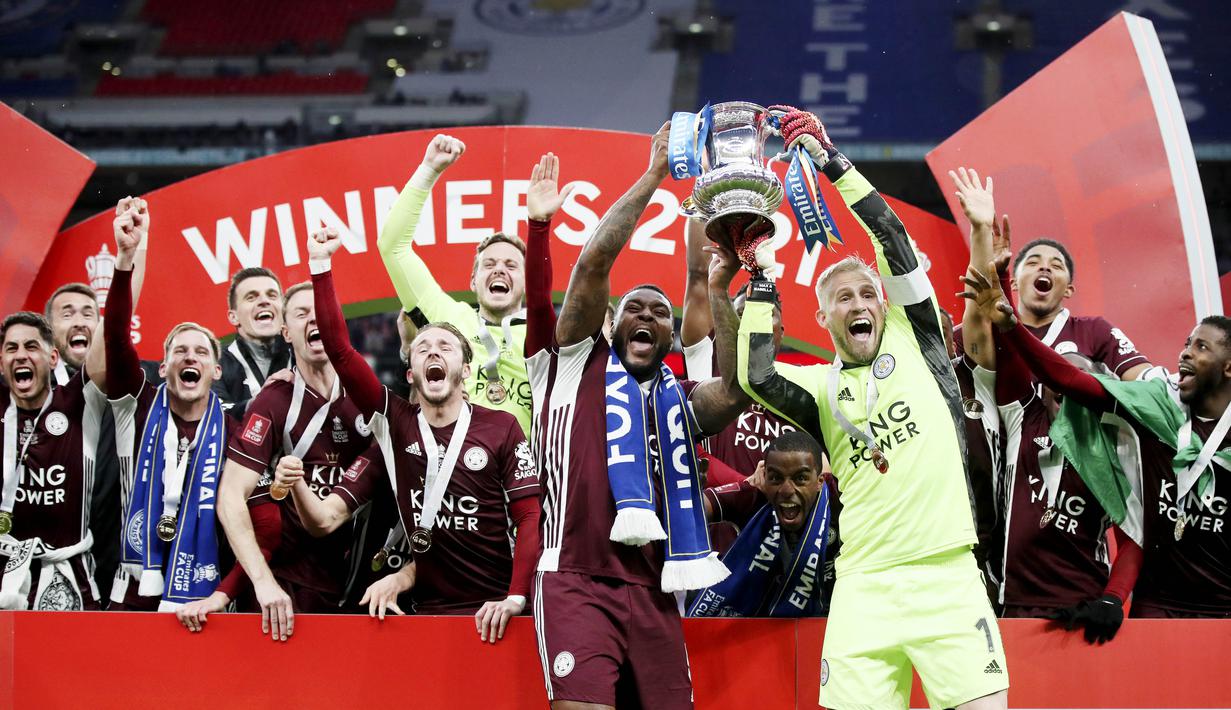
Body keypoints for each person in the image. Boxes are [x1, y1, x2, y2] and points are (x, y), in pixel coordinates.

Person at [736, 108, 1008, 709]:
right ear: (822, 317)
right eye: (842, 297)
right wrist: (760, 279)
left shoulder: (920, 340)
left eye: (868, 293)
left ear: (885, 306)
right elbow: (755, 375)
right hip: (863, 587)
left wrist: (832, 163)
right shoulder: (819, 388)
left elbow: (890, 237)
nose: (859, 303)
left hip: (947, 575)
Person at [530, 123, 749, 710]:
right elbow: (592, 265)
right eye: (635, 308)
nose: (648, 315)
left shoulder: (679, 399)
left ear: (670, 336)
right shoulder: (576, 365)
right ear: (612, 322)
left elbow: (735, 391)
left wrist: (720, 291)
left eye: (660, 312)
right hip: (577, 578)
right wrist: (654, 174)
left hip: (655, 585)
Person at [299, 224, 541, 643]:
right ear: (410, 373)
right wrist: (321, 266)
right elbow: (340, 350)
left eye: (446, 347)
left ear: (466, 370)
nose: (433, 351)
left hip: (501, 613)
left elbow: (529, 515)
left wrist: (517, 597)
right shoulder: (395, 421)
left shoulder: (501, 427)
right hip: (429, 614)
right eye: (423, 348)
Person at [961, 258, 1231, 620]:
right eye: (1187, 343)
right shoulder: (1151, 404)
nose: (1185, 352)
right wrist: (1008, 315)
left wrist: (1111, 599)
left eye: (1201, 347)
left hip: (1212, 606)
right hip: (1149, 606)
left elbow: (1131, 536)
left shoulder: (1118, 443)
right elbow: (1059, 376)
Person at [99, 200, 241, 613]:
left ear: (215, 370)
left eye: (201, 352)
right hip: (134, 588)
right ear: (162, 368)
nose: (190, 357)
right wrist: (125, 259)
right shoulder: (136, 405)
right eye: (180, 351)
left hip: (204, 595)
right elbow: (116, 337)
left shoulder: (233, 429)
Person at [212, 278, 372, 637]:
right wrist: (263, 582)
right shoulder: (274, 399)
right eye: (301, 314)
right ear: (286, 332)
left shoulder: (368, 395)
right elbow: (230, 497)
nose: (314, 319)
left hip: (358, 584)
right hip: (287, 587)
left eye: (322, 312)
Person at [378, 134, 562, 434]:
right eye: (489, 264)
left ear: (526, 282)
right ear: (473, 281)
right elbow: (393, 246)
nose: (499, 270)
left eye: (511, 265)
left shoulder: (547, 332)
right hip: (454, 461)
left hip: (525, 464)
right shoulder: (448, 316)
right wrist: (428, 170)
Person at [42, 196, 155, 604]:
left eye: (89, 313)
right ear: (48, 333)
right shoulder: (30, 394)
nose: (80, 321)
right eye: (67, 313)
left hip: (118, 542)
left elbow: (116, 329)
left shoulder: (130, 379)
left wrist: (137, 248)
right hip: (52, 551)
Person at [690, 431, 835, 617]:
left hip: (833, 620)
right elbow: (694, 510)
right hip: (757, 624)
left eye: (800, 478)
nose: (786, 490)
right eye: (776, 478)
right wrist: (686, 492)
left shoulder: (840, 498)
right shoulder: (753, 494)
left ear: (819, 481)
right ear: (763, 476)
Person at [215, 266, 291, 418]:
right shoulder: (214, 362)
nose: (264, 301)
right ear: (233, 317)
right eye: (251, 297)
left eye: (272, 295)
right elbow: (212, 413)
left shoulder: (303, 353)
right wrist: (262, 402)